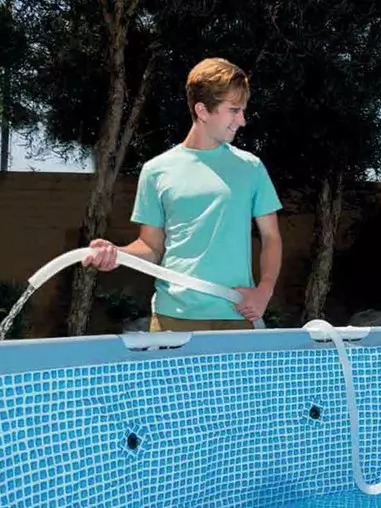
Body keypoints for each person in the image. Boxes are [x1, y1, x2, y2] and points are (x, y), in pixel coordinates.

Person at [83, 57, 283, 332]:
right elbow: (151, 247)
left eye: (242, 110)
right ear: (202, 110)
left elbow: (271, 237)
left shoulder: (251, 168)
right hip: (173, 317)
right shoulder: (156, 171)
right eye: (234, 110)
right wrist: (117, 254)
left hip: (236, 315)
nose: (242, 120)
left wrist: (264, 290)